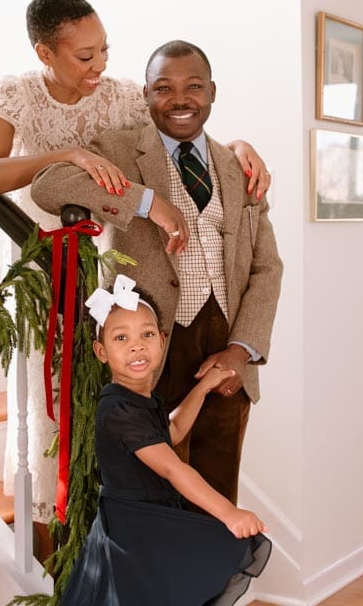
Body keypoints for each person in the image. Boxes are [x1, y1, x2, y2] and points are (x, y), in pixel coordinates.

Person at [0, 0, 272, 547]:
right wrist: (80, 161)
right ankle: (66, 558)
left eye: (104, 50)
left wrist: (238, 145)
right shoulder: (19, 96)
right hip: (53, 268)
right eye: (85, 56)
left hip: (124, 286)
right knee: (64, 426)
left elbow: (181, 121)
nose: (100, 65)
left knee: (205, 475)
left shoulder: (125, 100)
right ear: (45, 53)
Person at [31, 40, 283, 516]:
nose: (180, 99)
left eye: (193, 86)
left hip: (227, 348)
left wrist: (242, 349)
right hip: (151, 344)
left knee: (219, 496)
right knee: (158, 498)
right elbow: (49, 186)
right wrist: (146, 202)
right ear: (147, 95)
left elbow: (268, 266)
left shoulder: (240, 166)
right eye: (164, 88)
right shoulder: (122, 151)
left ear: (212, 92)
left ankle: (210, 589)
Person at [59, 273, 272, 606]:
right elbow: (174, 468)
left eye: (146, 334)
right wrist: (229, 513)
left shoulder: (144, 398)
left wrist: (201, 388)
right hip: (132, 528)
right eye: (120, 338)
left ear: (162, 339)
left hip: (151, 518)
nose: (136, 345)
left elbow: (170, 434)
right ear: (101, 351)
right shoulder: (117, 408)